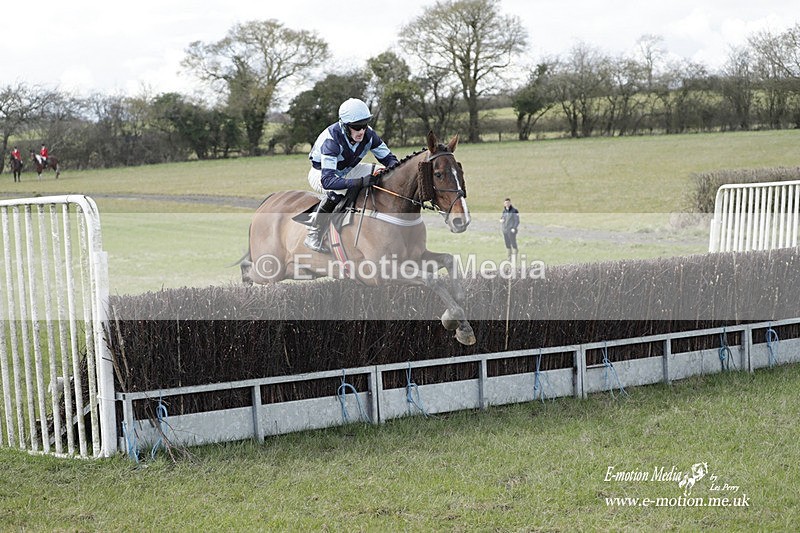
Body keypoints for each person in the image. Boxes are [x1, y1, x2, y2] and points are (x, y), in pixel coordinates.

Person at [304, 98, 399, 253]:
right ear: (345, 125)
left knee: (383, 173)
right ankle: (313, 233)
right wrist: (360, 182)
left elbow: (390, 160)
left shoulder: (369, 134)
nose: (362, 131)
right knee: (340, 189)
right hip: (322, 173)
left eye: (364, 125)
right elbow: (328, 181)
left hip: (348, 169)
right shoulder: (332, 141)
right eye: (356, 127)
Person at [500, 198, 520, 263]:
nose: (507, 204)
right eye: (506, 203)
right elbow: (502, 218)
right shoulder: (504, 211)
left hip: (511, 230)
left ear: (510, 203)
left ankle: (515, 257)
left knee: (513, 243)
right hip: (505, 230)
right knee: (507, 244)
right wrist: (501, 220)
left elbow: (517, 220)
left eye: (508, 203)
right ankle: (509, 258)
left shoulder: (514, 211)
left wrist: (514, 228)